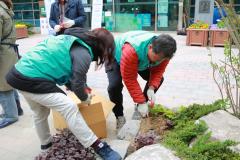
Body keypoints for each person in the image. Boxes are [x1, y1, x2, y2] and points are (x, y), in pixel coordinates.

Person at [6, 27, 121, 160]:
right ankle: (99, 147)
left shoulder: (70, 39)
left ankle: (46, 145)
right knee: (69, 107)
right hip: (31, 78)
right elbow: (77, 83)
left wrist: (80, 87)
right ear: (102, 47)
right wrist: (84, 98)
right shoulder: (84, 53)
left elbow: (65, 69)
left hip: (17, 73)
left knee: (40, 113)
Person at [106, 31, 177, 130]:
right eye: (154, 60)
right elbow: (130, 78)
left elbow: (158, 71)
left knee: (159, 80)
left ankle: (139, 109)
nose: (156, 63)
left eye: (159, 60)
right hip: (116, 56)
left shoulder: (165, 53)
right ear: (150, 47)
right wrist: (140, 101)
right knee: (114, 86)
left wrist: (151, 88)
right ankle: (119, 116)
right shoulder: (131, 50)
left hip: (141, 60)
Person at [0, 0, 23, 128]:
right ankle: (17, 109)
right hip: (9, 51)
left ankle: (10, 115)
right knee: (8, 82)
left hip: (3, 53)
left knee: (2, 86)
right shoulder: (5, 8)